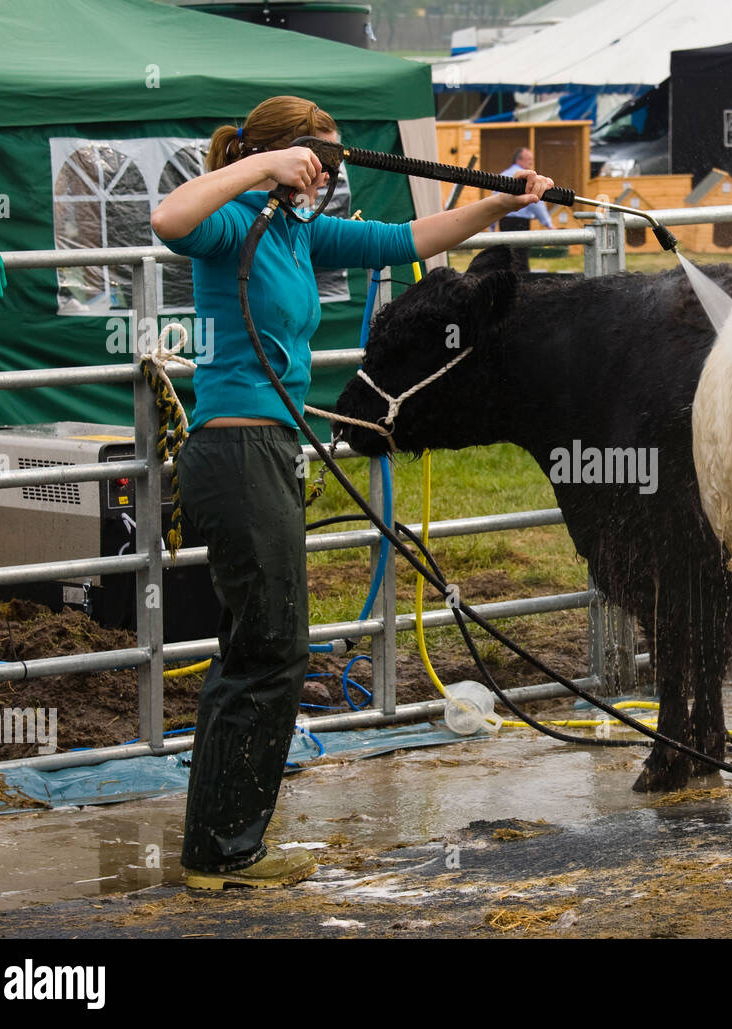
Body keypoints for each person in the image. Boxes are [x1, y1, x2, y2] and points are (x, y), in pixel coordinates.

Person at [150, 95, 552, 889]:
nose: (332, 177)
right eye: (323, 161)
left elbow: (410, 237)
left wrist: (500, 201)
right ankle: (222, 852)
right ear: (285, 157)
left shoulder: (302, 233)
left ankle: (224, 845)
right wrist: (258, 169)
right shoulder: (238, 220)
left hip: (270, 448)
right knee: (270, 650)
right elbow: (166, 219)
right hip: (233, 452)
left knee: (263, 647)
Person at [496, 147, 554, 272]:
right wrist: (548, 223)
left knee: (506, 256)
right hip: (520, 222)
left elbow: (495, 199)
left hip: (504, 220)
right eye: (529, 160)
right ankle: (523, 285)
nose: (531, 163)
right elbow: (534, 200)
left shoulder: (503, 175)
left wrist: (491, 224)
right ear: (519, 160)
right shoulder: (528, 178)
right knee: (520, 257)